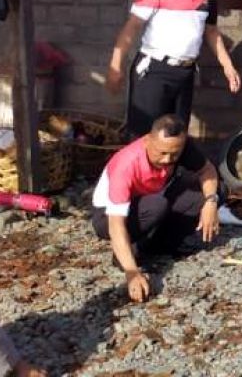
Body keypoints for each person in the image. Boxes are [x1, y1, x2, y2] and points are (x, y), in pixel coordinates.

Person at [106, 0, 241, 139]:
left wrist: (228, 66)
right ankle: (139, 171)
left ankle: (171, 172)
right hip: (154, 71)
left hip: (185, 72)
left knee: (176, 134)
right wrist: (115, 66)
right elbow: (131, 28)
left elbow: (212, 32)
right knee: (144, 134)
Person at [90, 114, 220, 303]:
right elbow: (116, 224)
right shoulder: (126, 164)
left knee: (214, 191)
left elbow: (207, 171)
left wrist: (211, 202)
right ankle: (127, 253)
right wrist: (132, 272)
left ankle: (158, 245)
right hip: (108, 216)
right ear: (147, 140)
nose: (168, 159)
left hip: (152, 200)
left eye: (174, 154)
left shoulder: (181, 147)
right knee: (156, 206)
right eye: (162, 153)